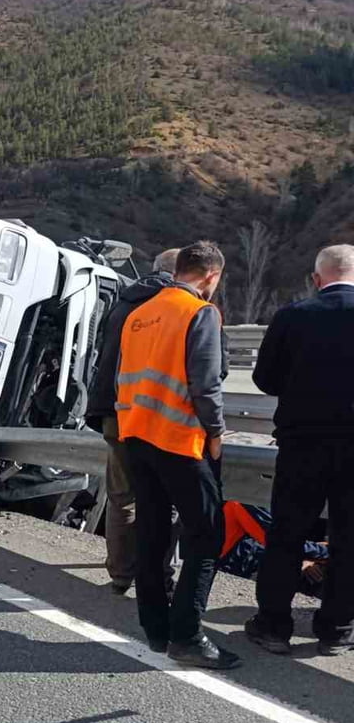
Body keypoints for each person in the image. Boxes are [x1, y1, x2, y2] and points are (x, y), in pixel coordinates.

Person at [118, 241, 238, 668]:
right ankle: (187, 635)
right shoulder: (199, 312)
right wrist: (217, 433)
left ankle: (156, 629)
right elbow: (205, 384)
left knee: (152, 533)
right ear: (211, 276)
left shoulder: (139, 314)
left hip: (136, 437)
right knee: (206, 536)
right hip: (179, 441)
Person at [246, 244, 354, 656]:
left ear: (317, 279)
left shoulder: (293, 316)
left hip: (302, 442)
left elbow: (266, 379)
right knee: (349, 537)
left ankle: (273, 624)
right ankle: (337, 627)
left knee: (287, 533)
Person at [87, 247, 180, 595]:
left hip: (113, 410)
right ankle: (158, 577)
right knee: (164, 498)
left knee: (122, 497)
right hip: (156, 415)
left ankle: (121, 574)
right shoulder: (176, 307)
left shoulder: (123, 301)